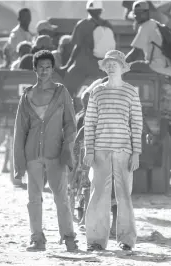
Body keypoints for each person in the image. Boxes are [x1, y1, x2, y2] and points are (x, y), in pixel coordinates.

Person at [13, 50, 78, 252]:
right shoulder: (27, 96)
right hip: (32, 154)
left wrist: (67, 149)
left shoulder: (61, 92)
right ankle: (37, 239)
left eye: (48, 67)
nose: (44, 71)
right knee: (33, 198)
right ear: (35, 69)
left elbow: (70, 124)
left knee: (61, 197)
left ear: (52, 69)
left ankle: (68, 238)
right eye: (40, 67)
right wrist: (19, 163)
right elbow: (19, 131)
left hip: (56, 154)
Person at [84, 50, 143, 251]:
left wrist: (136, 153)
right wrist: (88, 150)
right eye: (108, 63)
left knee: (124, 196)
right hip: (100, 151)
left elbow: (137, 124)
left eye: (115, 63)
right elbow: (89, 122)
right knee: (98, 195)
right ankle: (95, 241)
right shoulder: (97, 91)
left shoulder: (131, 91)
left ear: (122, 67)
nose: (111, 66)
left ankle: (126, 241)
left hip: (124, 151)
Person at [72, 77, 118, 235]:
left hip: (108, 159)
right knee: (87, 188)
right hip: (89, 161)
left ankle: (113, 224)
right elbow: (79, 137)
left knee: (110, 191)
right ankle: (87, 219)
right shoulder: (87, 117)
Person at [61, 0, 116, 104]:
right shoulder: (108, 25)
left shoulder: (83, 24)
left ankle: (68, 107)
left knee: (67, 85)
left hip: (82, 66)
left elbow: (77, 47)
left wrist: (68, 65)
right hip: (102, 67)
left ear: (88, 10)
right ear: (100, 11)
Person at [125, 0, 171, 85]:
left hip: (154, 66)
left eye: (139, 13)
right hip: (168, 65)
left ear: (147, 13)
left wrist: (121, 64)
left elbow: (135, 53)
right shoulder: (155, 24)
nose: (136, 16)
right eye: (135, 13)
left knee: (130, 67)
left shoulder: (145, 26)